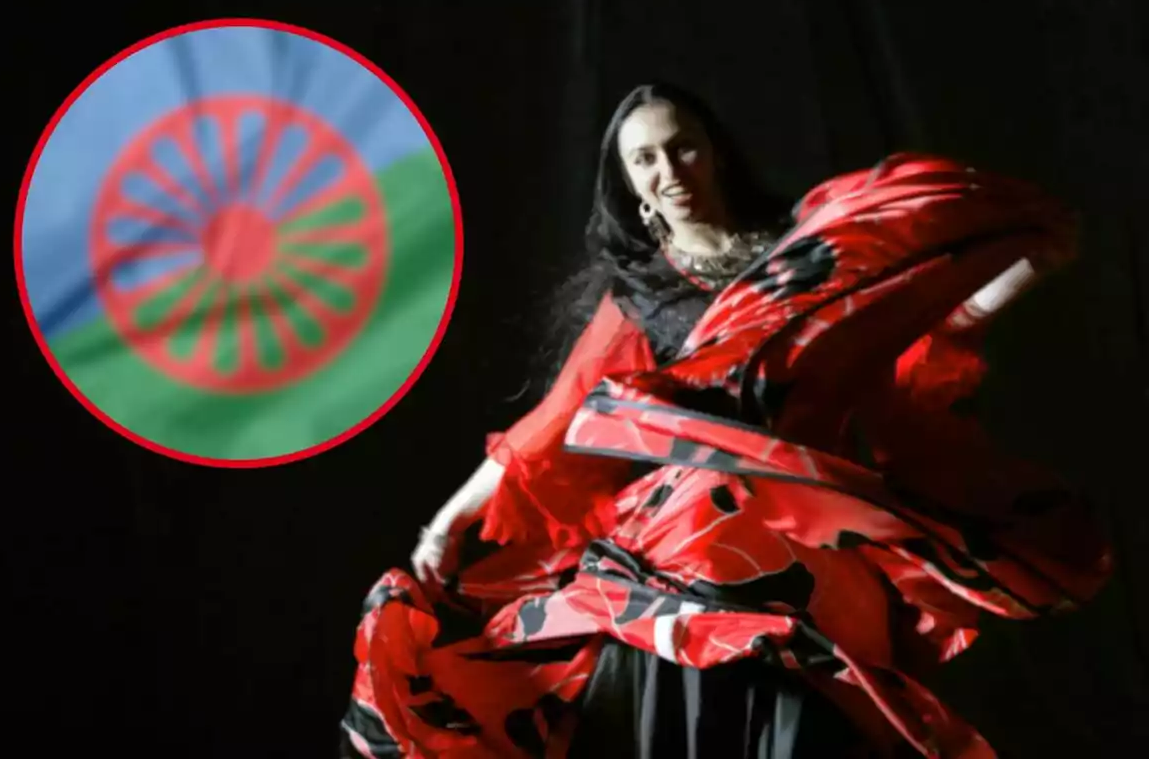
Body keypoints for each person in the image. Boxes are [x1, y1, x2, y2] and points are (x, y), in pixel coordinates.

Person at [342, 83, 1112, 759]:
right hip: (698, 550)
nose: (669, 170)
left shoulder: (805, 255)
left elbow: (909, 346)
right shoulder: (638, 301)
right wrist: (447, 521)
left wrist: (1015, 271)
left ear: (714, 154)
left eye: (683, 148)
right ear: (630, 183)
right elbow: (551, 423)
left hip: (819, 542)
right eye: (645, 159)